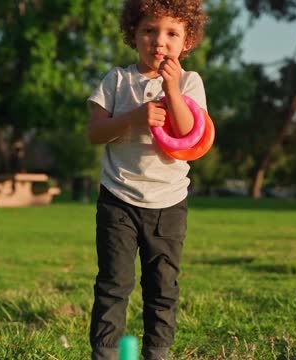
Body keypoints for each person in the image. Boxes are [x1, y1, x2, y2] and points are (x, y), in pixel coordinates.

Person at [87, 0, 207, 359]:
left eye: (172, 33)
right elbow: (94, 132)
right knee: (113, 283)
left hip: (168, 204)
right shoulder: (116, 80)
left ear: (186, 41)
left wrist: (171, 89)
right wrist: (135, 117)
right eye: (149, 31)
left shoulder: (190, 82)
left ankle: (157, 352)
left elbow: (189, 135)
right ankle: (106, 353)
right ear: (133, 35)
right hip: (118, 198)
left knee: (162, 287)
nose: (159, 41)